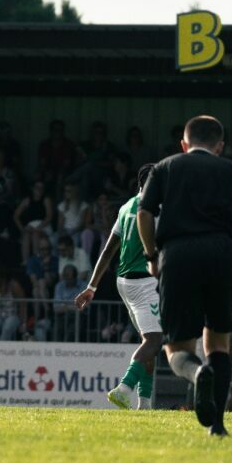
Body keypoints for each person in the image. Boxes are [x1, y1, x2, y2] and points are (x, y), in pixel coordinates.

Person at [137, 115, 232, 437]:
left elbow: (143, 213)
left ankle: (197, 374)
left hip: (178, 255)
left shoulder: (165, 167)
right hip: (223, 255)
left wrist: (152, 256)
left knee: (177, 347)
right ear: (220, 146)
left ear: (184, 143)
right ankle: (218, 427)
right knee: (219, 340)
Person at [75, 164, 163, 409]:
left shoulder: (125, 207)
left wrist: (92, 286)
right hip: (144, 282)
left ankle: (144, 403)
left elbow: (107, 251)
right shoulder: (155, 208)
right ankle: (124, 388)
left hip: (123, 282)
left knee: (148, 339)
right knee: (154, 340)